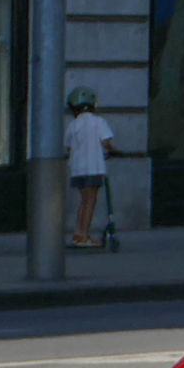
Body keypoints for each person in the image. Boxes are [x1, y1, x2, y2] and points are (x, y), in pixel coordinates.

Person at [65, 86, 120, 248]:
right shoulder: (98, 122)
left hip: (77, 169)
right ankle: (84, 235)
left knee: (84, 201)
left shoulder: (73, 125)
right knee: (90, 201)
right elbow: (106, 142)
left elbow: (69, 147)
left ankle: (78, 232)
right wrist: (114, 150)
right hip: (93, 167)